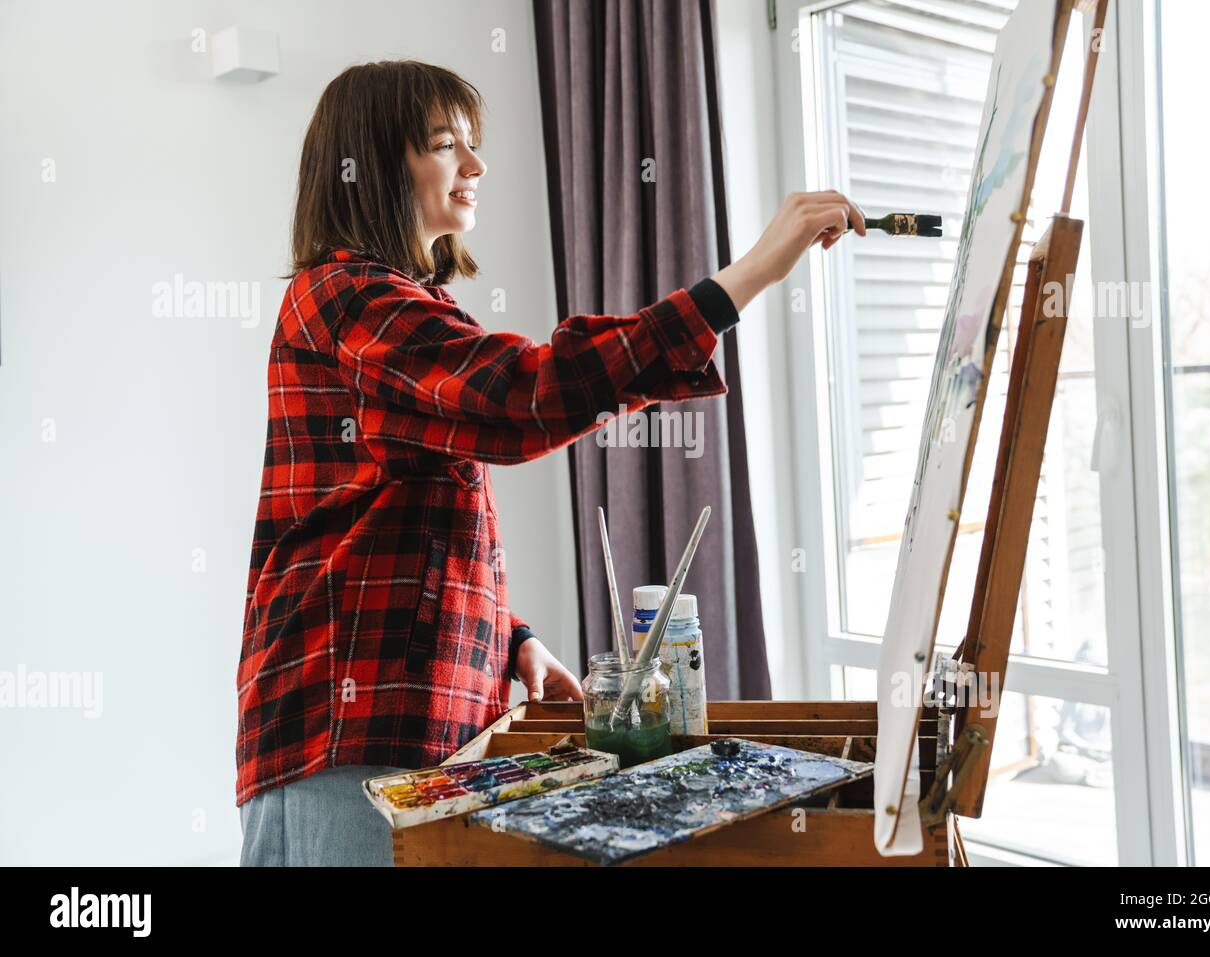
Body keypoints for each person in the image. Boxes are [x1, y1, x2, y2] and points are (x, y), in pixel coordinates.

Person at [236, 59, 865, 866]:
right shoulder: (346, 295)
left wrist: (510, 637)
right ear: (376, 164)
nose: (476, 165)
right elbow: (529, 395)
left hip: (408, 727)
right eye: (445, 145)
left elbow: (398, 520)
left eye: (474, 144)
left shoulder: (397, 303)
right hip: (341, 731)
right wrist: (741, 281)